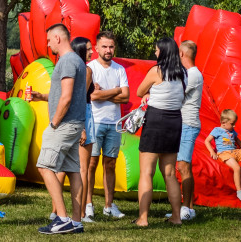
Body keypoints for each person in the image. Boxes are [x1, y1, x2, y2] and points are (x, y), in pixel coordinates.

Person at [29, 23, 87, 235]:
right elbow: (62, 93)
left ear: (58, 38)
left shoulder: (68, 61)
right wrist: (43, 97)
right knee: (73, 171)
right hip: (74, 124)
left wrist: (54, 123)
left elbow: (67, 96)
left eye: (49, 40)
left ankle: (62, 219)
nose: (47, 44)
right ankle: (76, 221)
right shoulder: (76, 61)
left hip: (64, 124)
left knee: (45, 167)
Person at [134, 38, 186, 227]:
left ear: (163, 52)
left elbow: (140, 91)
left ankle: (143, 218)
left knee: (146, 172)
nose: (155, 53)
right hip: (174, 121)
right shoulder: (183, 74)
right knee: (170, 173)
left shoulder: (156, 71)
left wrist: (149, 93)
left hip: (156, 120)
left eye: (156, 50)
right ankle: (176, 217)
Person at [86, 31, 128, 220]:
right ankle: (88, 204)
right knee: (91, 164)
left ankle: (109, 205)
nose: (108, 50)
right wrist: (116, 91)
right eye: (104, 46)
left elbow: (126, 97)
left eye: (111, 46)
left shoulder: (120, 69)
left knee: (110, 164)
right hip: (94, 121)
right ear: (96, 48)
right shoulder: (90, 68)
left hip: (114, 123)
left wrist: (105, 93)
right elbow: (92, 96)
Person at [173, 40, 203, 221]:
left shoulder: (192, 74)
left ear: (182, 54)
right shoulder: (189, 73)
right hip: (183, 123)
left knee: (183, 166)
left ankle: (186, 208)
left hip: (188, 124)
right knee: (182, 166)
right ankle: (187, 209)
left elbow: (176, 95)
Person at [205, 109, 241, 203]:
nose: (234, 126)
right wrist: (212, 152)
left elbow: (237, 139)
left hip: (235, 152)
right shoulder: (217, 130)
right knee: (237, 168)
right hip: (225, 153)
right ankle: (239, 191)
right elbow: (207, 141)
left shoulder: (232, 130)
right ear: (223, 123)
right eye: (232, 124)